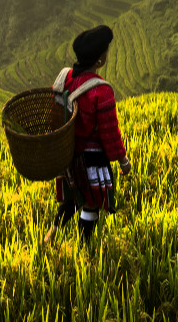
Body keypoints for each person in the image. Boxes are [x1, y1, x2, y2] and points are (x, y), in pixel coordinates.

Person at [46, 25, 132, 244]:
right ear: (100, 60)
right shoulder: (101, 91)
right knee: (90, 203)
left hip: (68, 155)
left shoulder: (65, 77)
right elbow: (109, 132)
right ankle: (85, 246)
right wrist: (122, 160)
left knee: (75, 196)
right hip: (91, 160)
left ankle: (52, 233)